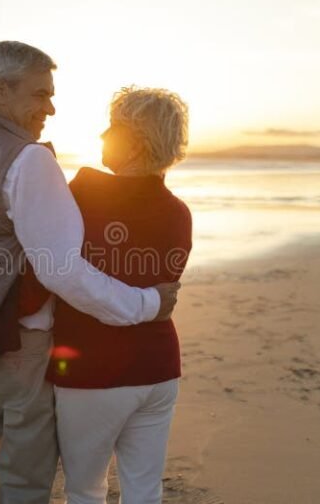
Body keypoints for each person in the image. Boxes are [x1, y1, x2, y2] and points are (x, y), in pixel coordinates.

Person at [0, 42, 181, 504]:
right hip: (17, 348)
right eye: (40, 94)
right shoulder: (28, 160)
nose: (51, 108)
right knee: (24, 479)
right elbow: (63, 271)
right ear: (1, 91)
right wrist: (147, 303)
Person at [19, 86, 193, 503]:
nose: (101, 136)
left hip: (92, 371)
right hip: (159, 368)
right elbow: (159, 288)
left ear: (136, 142)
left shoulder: (79, 196)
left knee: (84, 490)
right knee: (144, 490)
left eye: (113, 128)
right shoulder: (178, 212)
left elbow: (44, 276)